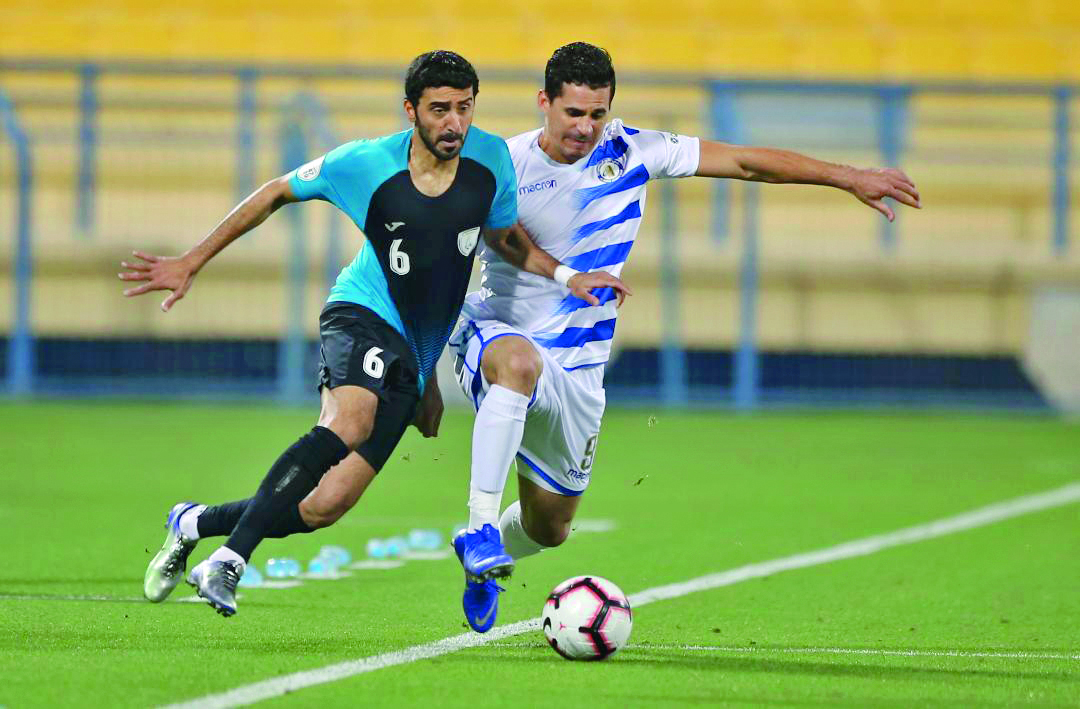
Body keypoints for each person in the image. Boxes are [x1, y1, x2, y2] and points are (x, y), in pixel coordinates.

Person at [124, 49, 626, 617]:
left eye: (464, 108)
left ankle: (192, 522)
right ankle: (231, 560)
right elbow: (275, 192)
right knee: (351, 419)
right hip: (361, 311)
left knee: (322, 507)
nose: (454, 124)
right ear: (411, 110)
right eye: (439, 110)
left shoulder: (491, 161)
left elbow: (505, 241)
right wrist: (192, 261)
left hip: (415, 348)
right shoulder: (365, 164)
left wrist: (560, 277)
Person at [443, 41, 921, 632]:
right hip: (498, 332)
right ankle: (481, 526)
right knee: (516, 364)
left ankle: (484, 564)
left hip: (579, 366)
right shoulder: (505, 164)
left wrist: (846, 176)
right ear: (545, 102)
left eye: (597, 114)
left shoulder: (635, 150)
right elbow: (491, 240)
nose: (585, 128)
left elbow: (746, 163)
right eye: (572, 113)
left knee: (550, 529)